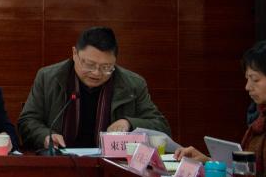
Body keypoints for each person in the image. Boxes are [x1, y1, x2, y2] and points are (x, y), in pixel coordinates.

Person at [18, 26, 170, 152]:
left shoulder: (133, 84)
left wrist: (128, 123)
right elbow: (27, 121)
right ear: (75, 54)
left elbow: (162, 127)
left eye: (106, 67)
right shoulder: (48, 78)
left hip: (114, 166)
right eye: (89, 65)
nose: (96, 73)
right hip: (60, 162)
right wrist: (45, 136)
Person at [175, 40, 266, 177]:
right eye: (247, 79)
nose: (247, 87)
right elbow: (246, 174)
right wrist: (208, 162)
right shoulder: (259, 119)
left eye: (255, 79)